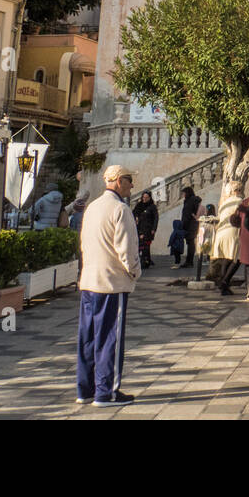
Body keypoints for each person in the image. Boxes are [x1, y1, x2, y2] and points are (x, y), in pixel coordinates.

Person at [76, 164, 142, 407]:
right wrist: (135, 272)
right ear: (117, 181)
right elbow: (126, 249)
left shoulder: (92, 207)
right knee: (109, 339)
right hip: (111, 283)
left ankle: (85, 389)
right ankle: (106, 392)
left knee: (88, 338)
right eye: (128, 180)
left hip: (89, 280)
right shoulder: (120, 209)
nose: (132, 185)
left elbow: (83, 243)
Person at [132, 190, 158, 269]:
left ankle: (145, 261)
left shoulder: (152, 207)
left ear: (150, 198)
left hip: (148, 229)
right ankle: (146, 260)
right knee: (140, 245)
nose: (145, 199)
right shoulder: (139, 205)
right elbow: (133, 213)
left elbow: (156, 218)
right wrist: (136, 217)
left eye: (146, 197)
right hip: (139, 228)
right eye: (143, 197)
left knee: (145, 245)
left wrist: (154, 228)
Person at [179, 187, 201, 269]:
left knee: (190, 243)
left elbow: (187, 214)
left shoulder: (190, 201)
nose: (183, 195)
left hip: (190, 225)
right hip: (192, 224)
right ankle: (189, 261)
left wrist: (183, 225)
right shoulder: (191, 200)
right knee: (190, 243)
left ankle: (189, 261)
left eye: (184, 193)